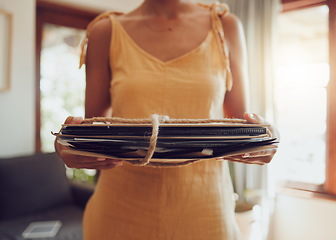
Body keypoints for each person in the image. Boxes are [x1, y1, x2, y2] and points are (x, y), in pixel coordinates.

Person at [55, 0, 278, 239]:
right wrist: (68, 144)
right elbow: (95, 132)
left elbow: (239, 127)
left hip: (206, 212)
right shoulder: (105, 31)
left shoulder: (225, 27)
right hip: (119, 211)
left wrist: (263, 139)